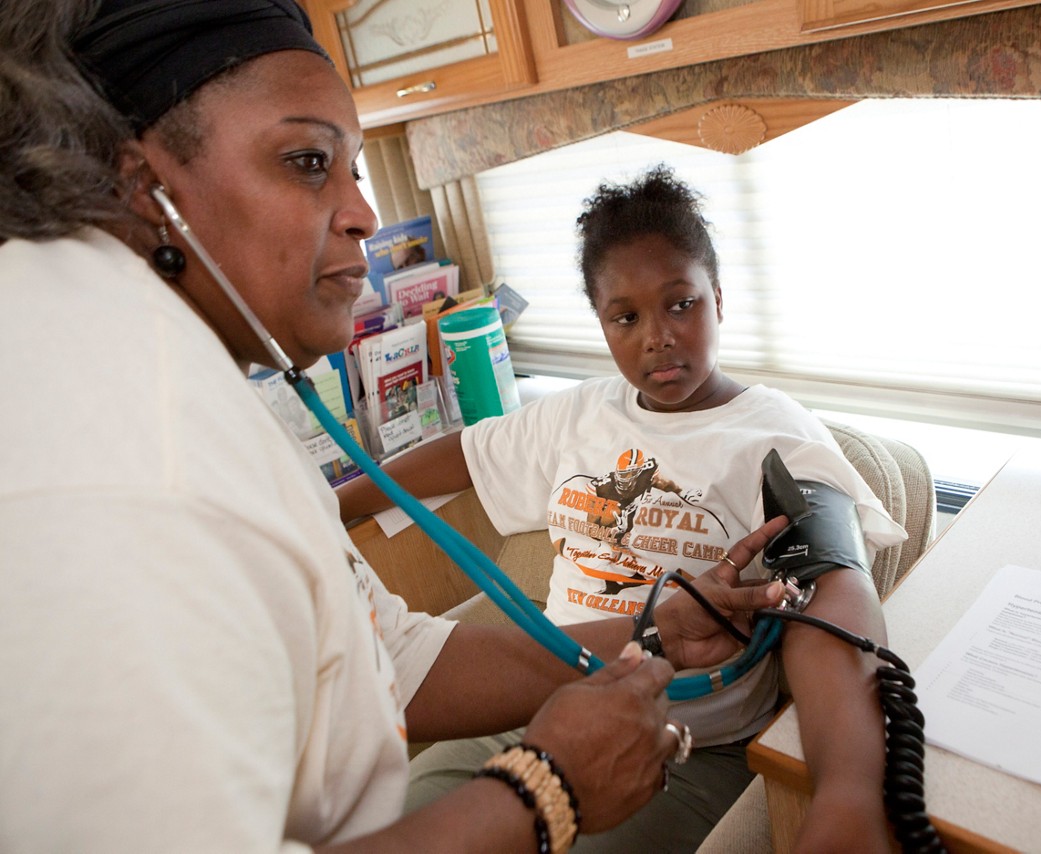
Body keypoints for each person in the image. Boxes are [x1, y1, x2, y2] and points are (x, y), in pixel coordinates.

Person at [0, 2, 793, 851]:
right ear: (135, 184)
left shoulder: (168, 373)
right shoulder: (126, 455)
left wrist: (651, 630)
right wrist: (541, 793)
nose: (364, 215)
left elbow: (391, 660)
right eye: (308, 161)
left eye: (357, 168)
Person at [338, 166, 908, 852]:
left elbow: (833, 594)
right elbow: (461, 453)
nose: (657, 337)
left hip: (687, 744)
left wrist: (849, 790)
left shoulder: (775, 437)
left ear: (718, 300)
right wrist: (327, 501)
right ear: (602, 322)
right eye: (626, 316)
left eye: (680, 304)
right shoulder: (579, 413)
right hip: (545, 710)